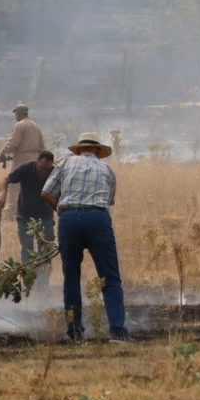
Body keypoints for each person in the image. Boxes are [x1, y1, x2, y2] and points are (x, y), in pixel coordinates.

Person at [41, 132, 132, 342]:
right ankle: (117, 330)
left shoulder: (65, 164)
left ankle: (75, 332)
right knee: (110, 277)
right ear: (98, 151)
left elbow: (46, 192)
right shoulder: (107, 170)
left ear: (79, 149)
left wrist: (63, 213)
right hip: (97, 219)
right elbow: (106, 202)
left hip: (68, 219)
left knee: (71, 277)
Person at [0, 150, 56, 264]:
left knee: (46, 251)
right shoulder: (26, 169)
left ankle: (43, 281)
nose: (43, 171)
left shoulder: (54, 173)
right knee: (27, 249)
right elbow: (5, 179)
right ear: (37, 160)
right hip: (25, 217)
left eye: (46, 169)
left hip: (46, 218)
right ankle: (28, 279)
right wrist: (3, 193)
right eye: (41, 167)